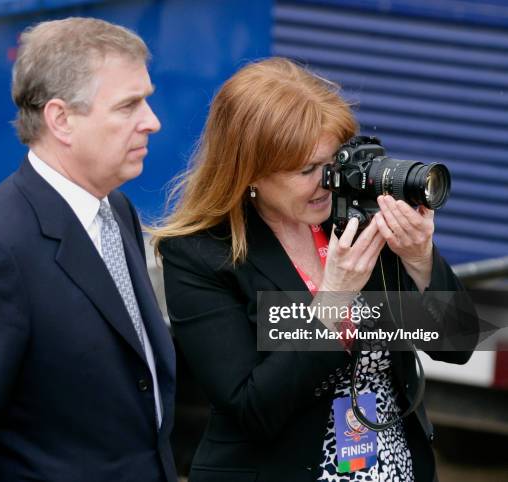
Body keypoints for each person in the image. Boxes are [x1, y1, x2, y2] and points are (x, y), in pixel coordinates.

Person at [152, 58, 477, 482]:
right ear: (248, 172)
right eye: (306, 170)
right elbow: (252, 409)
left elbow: (456, 345)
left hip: (392, 466)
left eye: (332, 163)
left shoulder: (351, 218)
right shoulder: (199, 255)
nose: (327, 181)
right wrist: (333, 301)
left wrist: (420, 260)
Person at [0, 17, 177, 482]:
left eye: (147, 100)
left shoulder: (116, 209)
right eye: (129, 105)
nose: (151, 121)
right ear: (61, 119)